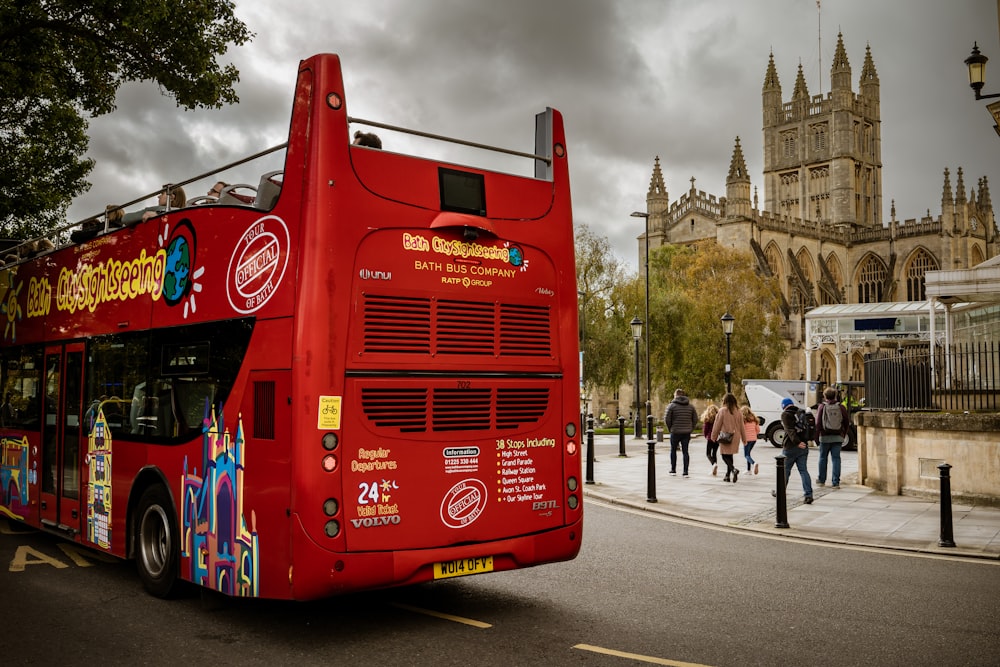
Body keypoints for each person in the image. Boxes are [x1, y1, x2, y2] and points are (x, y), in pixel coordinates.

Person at [776, 397, 813, 503]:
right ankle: (808, 495)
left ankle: (780, 491)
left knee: (785, 470)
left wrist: (797, 442)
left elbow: (790, 430)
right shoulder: (801, 412)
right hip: (804, 446)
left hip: (790, 447)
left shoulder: (785, 415)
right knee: (803, 471)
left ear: (784, 406)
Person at [816, 386, 848, 489]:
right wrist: (843, 434)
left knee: (822, 458)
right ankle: (835, 482)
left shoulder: (822, 407)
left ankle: (821, 480)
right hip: (837, 437)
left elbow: (818, 423)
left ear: (825, 396)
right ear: (835, 396)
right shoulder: (841, 407)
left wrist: (818, 435)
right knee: (836, 459)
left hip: (825, 437)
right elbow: (846, 422)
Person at [710, 393, 745, 482]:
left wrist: (713, 436)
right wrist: (744, 439)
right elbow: (742, 426)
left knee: (724, 456)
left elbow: (717, 425)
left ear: (725, 401)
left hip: (726, 436)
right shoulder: (738, 411)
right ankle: (727, 476)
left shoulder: (722, 411)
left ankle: (733, 469)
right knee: (730, 455)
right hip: (735, 436)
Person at [664, 388, 699, 477]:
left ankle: (673, 469)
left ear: (675, 395)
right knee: (685, 451)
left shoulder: (671, 406)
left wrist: (670, 428)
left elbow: (667, 419)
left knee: (673, 450)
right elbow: (695, 419)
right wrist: (691, 428)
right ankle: (685, 471)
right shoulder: (691, 406)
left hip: (675, 431)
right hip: (686, 432)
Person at [122, 184, 187, 224]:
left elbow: (125, 219)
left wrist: (159, 213)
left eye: (162, 194)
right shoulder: (184, 214)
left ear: (171, 198)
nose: (158, 196)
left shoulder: (156, 210)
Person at [700, 403, 720, 476]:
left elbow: (705, 429)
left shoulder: (708, 419)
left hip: (710, 438)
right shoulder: (718, 418)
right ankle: (714, 469)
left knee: (708, 453)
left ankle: (713, 464)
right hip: (717, 438)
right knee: (714, 453)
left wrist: (705, 436)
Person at [741, 405, 761, 475]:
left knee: (746, 455)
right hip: (754, 439)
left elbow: (742, 430)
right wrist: (753, 434)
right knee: (748, 453)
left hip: (747, 439)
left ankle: (754, 463)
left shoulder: (743, 420)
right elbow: (758, 430)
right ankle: (748, 470)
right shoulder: (754, 419)